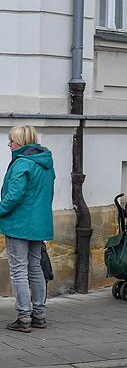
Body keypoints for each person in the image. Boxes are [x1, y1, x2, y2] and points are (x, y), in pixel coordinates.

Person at [0, 126, 54, 333]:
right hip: (39, 223)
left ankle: (24, 317)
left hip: (19, 224)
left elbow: (13, 197)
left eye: (11, 141)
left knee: (18, 270)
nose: (9, 145)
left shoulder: (22, 163)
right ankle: (39, 314)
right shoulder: (46, 162)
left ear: (20, 143)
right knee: (35, 268)